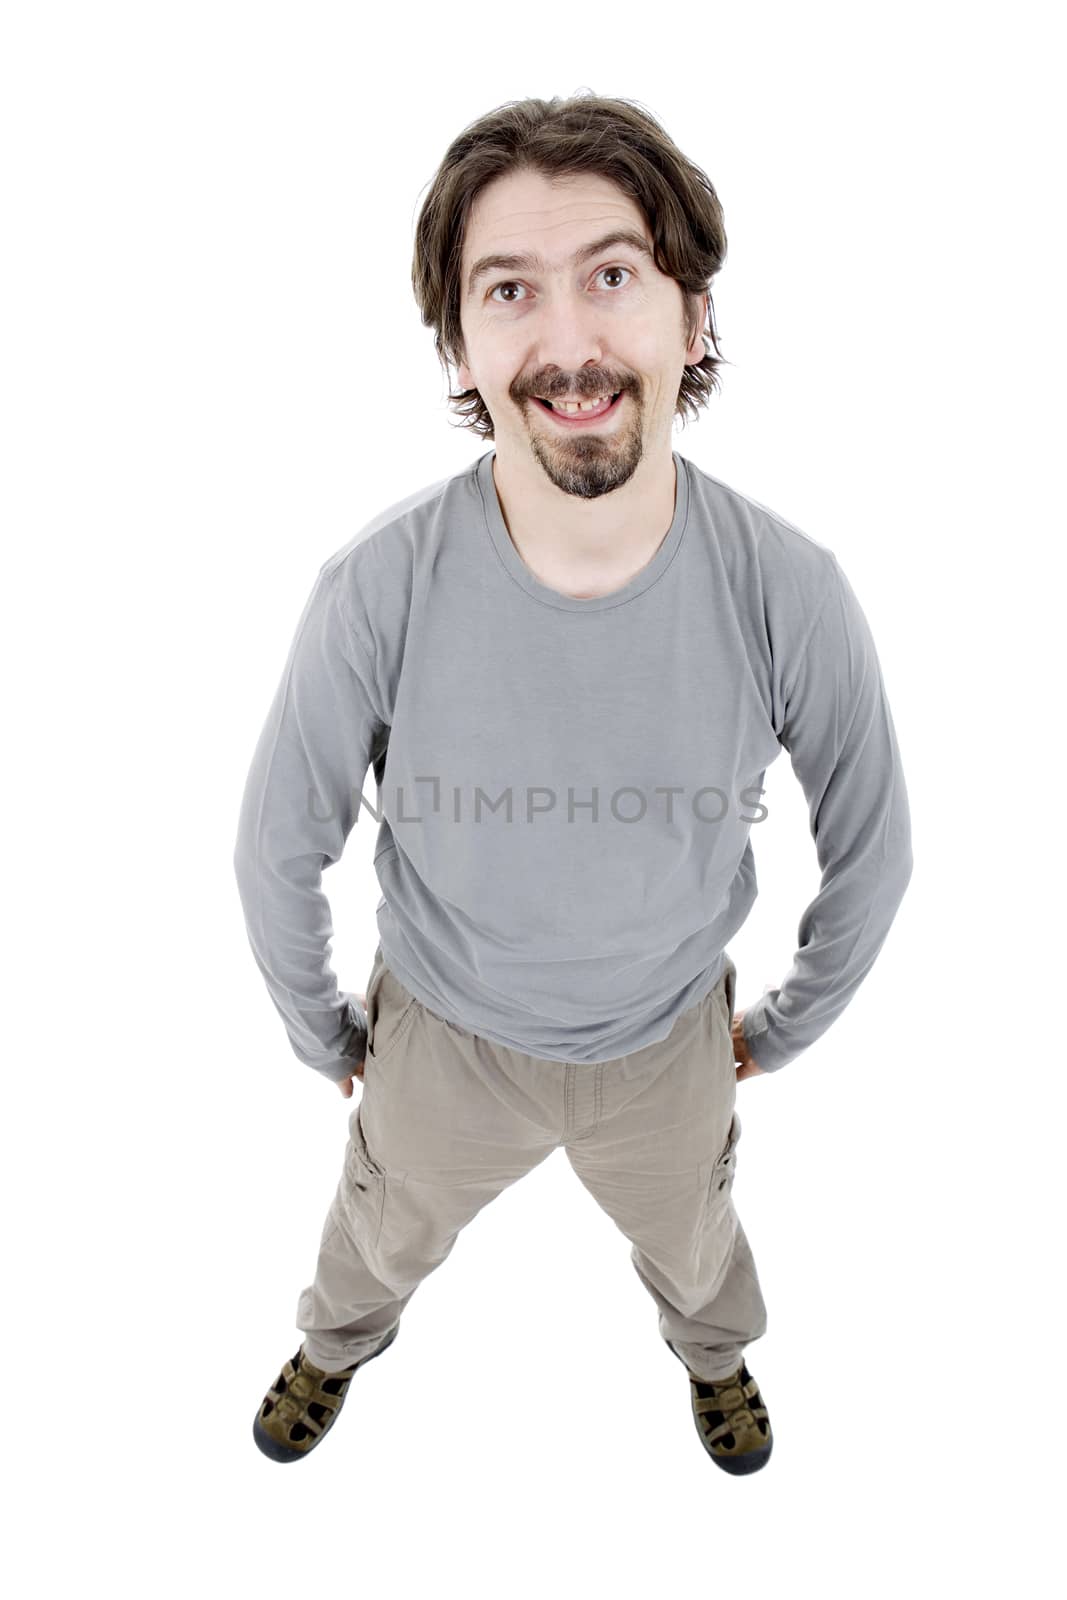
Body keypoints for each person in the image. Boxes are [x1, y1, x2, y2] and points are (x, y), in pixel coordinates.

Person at [235, 91, 913, 1475]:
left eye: (614, 275)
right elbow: (272, 847)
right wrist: (326, 1035)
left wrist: (778, 1032)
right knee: (376, 1230)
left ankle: (714, 1361)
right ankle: (334, 1342)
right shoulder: (376, 590)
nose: (569, 342)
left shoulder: (790, 588)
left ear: (692, 318)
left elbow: (877, 852)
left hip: (669, 1050)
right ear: (461, 343)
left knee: (696, 1241)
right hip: (441, 1046)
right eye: (508, 290)